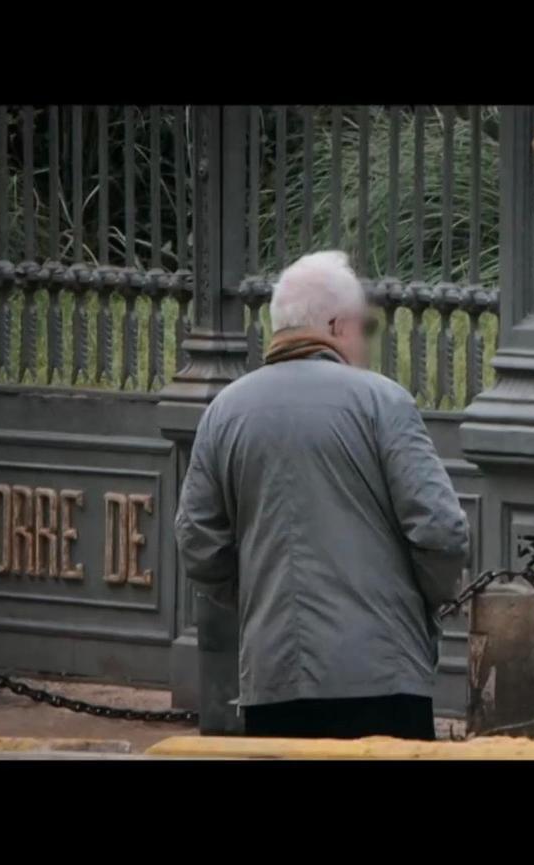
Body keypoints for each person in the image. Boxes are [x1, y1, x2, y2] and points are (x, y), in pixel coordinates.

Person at [175, 250, 470, 740]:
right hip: (382, 675)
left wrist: (256, 597)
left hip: (273, 679)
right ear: (335, 326)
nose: (364, 343)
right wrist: (423, 601)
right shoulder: (383, 402)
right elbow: (440, 529)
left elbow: (197, 541)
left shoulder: (225, 412)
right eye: (362, 328)